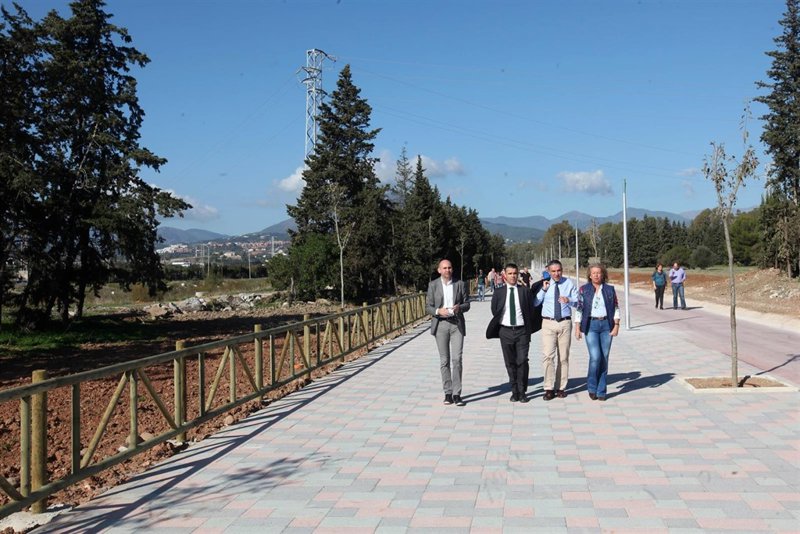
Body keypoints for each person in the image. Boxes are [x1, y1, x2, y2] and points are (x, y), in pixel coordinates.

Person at [487, 263, 541, 402]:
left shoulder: (525, 291)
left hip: (522, 331)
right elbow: (495, 310)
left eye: (515, 273)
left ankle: (522, 391)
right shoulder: (499, 292)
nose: (513, 276)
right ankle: (514, 390)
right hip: (505, 331)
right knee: (510, 363)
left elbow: (530, 311)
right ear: (505, 275)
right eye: (510, 273)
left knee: (522, 361)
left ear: (518, 274)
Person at [426, 258, 471, 406]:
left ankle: (457, 393)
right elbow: (428, 307)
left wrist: (459, 308)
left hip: (457, 324)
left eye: (449, 268)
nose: (447, 270)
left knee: (457, 359)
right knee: (444, 360)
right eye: (444, 268)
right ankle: (448, 392)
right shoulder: (433, 285)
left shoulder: (460, 284)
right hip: (441, 325)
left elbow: (467, 304)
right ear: (439, 270)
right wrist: (438, 311)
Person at [574, 263, 620, 401]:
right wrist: (577, 327)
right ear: (589, 275)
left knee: (604, 357)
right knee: (595, 357)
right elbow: (579, 308)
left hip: (607, 325)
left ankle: (601, 391)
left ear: (603, 274)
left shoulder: (610, 289)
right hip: (591, 325)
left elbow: (616, 307)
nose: (596, 275)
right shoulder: (584, 289)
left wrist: (616, 325)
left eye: (599, 273)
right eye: (593, 273)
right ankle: (592, 387)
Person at [533, 259, 577, 401]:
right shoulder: (544, 284)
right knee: (548, 356)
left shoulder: (569, 283)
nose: (556, 274)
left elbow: (578, 302)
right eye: (553, 271)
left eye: (559, 271)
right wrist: (543, 290)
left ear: (562, 270)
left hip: (565, 323)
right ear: (549, 272)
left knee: (563, 357)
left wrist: (569, 300)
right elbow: (535, 302)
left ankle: (561, 387)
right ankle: (548, 388)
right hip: (548, 323)